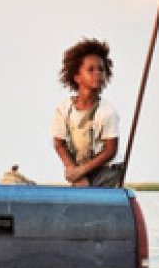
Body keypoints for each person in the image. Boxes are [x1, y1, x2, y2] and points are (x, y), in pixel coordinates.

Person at [52, 38, 122, 187]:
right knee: (80, 191)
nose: (97, 73)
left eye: (101, 69)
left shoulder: (107, 112)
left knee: (94, 196)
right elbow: (59, 144)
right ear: (77, 77)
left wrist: (82, 170)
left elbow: (110, 151)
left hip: (106, 169)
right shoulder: (64, 109)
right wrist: (73, 170)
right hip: (80, 166)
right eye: (90, 70)